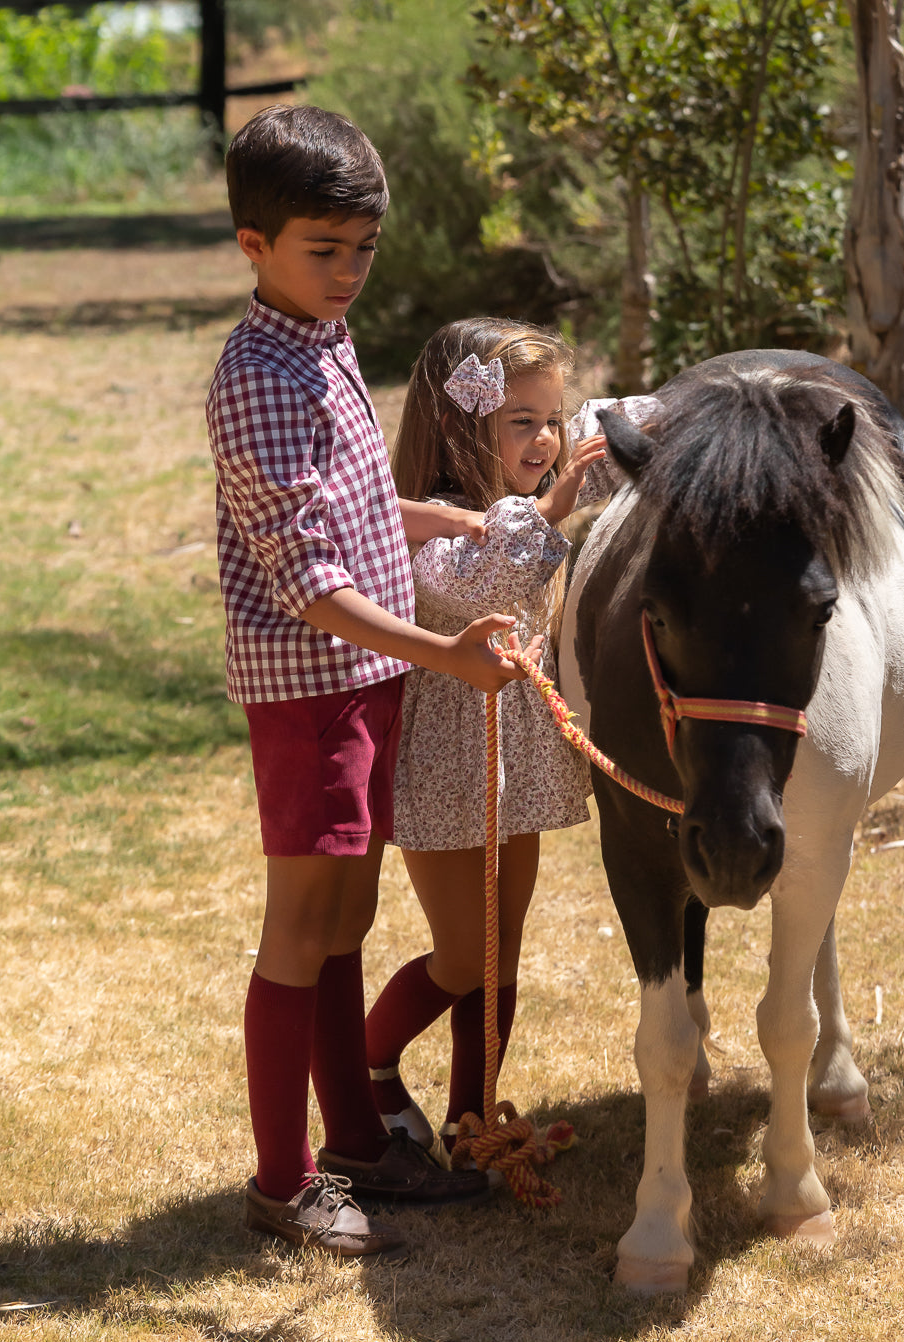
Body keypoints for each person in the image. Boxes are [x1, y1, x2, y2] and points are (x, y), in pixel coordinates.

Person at [206, 106, 538, 1262]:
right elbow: (305, 574)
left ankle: (352, 1136)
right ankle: (282, 1178)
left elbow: (348, 507)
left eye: (362, 249)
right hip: (314, 686)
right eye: (321, 249)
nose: (347, 273)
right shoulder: (257, 376)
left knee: (346, 912)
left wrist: (435, 516)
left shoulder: (324, 343)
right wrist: (443, 653)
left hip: (363, 675)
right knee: (301, 926)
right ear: (254, 244)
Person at [366, 317, 622, 1164]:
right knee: (461, 953)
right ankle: (366, 1060)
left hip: (515, 759)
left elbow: (623, 434)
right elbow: (483, 579)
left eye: (553, 418)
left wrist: (680, 414)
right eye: (523, 421)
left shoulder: (528, 496)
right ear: (457, 423)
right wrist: (549, 510)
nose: (547, 438)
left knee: (501, 951)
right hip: (447, 763)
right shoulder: (433, 518)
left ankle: (469, 1121)